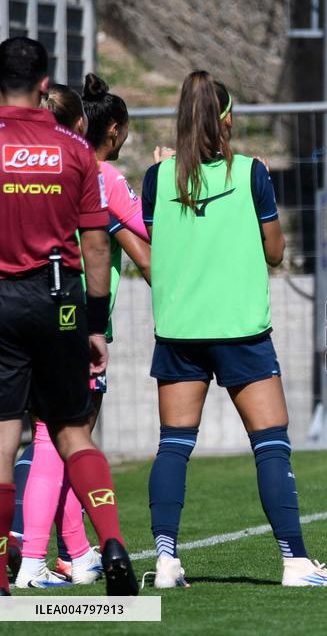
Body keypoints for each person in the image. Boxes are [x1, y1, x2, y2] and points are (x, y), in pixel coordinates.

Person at [141, 70, 327, 588]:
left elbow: (159, 247)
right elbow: (277, 252)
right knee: (270, 443)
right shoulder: (251, 173)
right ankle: (295, 562)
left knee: (173, 444)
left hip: (178, 330)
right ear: (225, 119)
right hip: (240, 329)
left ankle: (166, 561)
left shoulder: (157, 179)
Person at [0, 36, 138, 596]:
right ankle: (110, 542)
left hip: (1, 300)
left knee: (5, 438)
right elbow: (98, 244)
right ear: (43, 85)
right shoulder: (74, 148)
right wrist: (96, 322)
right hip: (59, 301)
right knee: (73, 431)